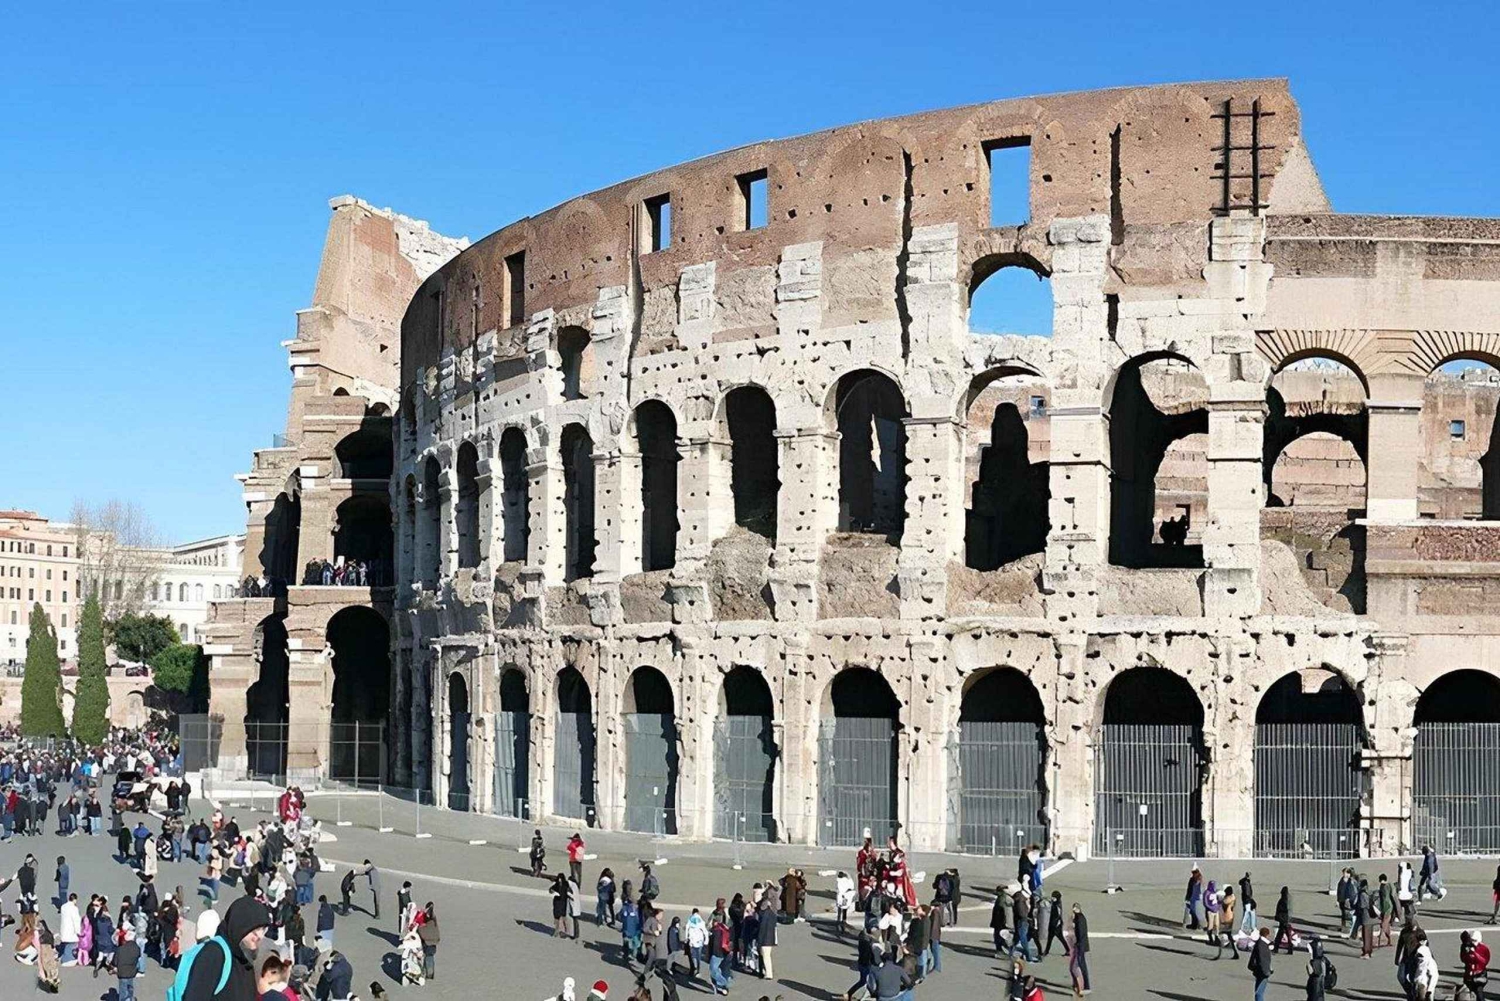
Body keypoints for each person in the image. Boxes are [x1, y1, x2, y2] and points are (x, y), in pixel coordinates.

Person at [177, 896, 270, 1001]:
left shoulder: (245, 959)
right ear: (241, 926)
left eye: (263, 929)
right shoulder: (214, 954)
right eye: (255, 929)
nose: (260, 936)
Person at [114, 929, 142, 1001]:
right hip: (132, 971)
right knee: (130, 987)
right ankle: (130, 998)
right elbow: (138, 957)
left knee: (123, 990)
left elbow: (115, 962)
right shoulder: (137, 948)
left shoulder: (120, 949)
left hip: (122, 972)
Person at [1465, 928, 1491, 1001]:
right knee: (1471, 992)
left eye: (1475, 940)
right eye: (1472, 940)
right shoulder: (1468, 947)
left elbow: (1484, 961)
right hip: (1470, 972)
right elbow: (1464, 959)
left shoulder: (1484, 948)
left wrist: (1475, 954)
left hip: (1480, 973)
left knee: (1479, 991)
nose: (1473, 942)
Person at [755, 895, 777, 980]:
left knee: (765, 956)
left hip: (764, 939)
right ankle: (768, 972)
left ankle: (768, 973)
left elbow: (762, 929)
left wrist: (759, 940)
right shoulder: (772, 913)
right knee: (767, 955)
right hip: (771, 938)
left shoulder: (763, 915)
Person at [1248, 927, 1273, 1001]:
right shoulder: (1263, 945)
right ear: (1267, 935)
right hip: (1263, 972)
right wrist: (1267, 971)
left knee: (1258, 991)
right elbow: (1263, 960)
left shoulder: (1259, 943)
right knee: (1259, 992)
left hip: (1259, 971)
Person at [1071, 903, 1090, 993]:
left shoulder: (1079, 919)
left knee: (1080, 966)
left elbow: (1081, 933)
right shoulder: (1079, 918)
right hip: (1080, 945)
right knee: (1077, 966)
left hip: (1080, 946)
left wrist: (1078, 945)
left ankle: (1085, 986)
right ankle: (1078, 984)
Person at [417, 902, 440, 980]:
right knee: (429, 957)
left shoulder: (428, 917)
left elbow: (425, 929)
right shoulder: (432, 917)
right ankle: (427, 973)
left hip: (428, 942)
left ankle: (428, 974)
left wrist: (420, 928)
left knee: (428, 958)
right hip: (433, 941)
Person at [1305, 936, 1331, 1001]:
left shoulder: (1317, 962)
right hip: (1319, 992)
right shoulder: (1323, 960)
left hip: (1315, 990)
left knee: (1316, 989)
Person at [1273, 887, 1294, 954]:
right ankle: (1290, 949)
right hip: (1286, 920)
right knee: (1288, 935)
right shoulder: (1288, 900)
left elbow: (1281, 911)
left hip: (1283, 920)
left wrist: (1278, 917)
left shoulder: (1283, 901)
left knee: (1280, 935)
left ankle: (1276, 948)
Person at [835, 871, 856, 937]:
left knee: (839, 909)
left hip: (840, 897)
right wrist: (847, 873)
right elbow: (851, 885)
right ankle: (843, 922)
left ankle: (838, 921)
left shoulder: (839, 881)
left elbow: (838, 890)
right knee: (844, 910)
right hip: (846, 897)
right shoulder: (847, 881)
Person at [1184, 865, 1203, 930]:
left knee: (1193, 911)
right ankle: (1195, 924)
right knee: (1194, 911)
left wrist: (1187, 897)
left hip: (1193, 897)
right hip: (1195, 897)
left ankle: (1195, 925)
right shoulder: (1198, 879)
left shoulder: (1194, 880)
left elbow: (1190, 889)